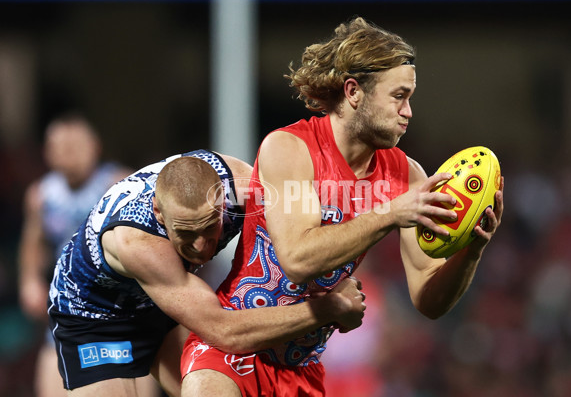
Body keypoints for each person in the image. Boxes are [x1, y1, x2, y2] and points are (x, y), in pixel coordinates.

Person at [181, 16, 505, 396]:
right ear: (354, 92)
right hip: (231, 352)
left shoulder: (407, 176)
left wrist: (471, 251)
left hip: (303, 371)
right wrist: (392, 212)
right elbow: (298, 259)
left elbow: (428, 301)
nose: (408, 112)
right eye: (398, 96)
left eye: (410, 98)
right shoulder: (289, 148)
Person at [47, 148, 367, 396]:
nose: (201, 247)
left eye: (209, 228)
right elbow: (225, 332)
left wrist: (336, 276)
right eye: (186, 233)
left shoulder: (243, 187)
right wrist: (328, 308)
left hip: (170, 295)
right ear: (159, 212)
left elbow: (305, 233)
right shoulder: (137, 241)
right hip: (96, 315)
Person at [17, 113, 131, 397]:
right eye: (61, 148)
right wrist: (29, 280)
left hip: (114, 313)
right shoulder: (41, 195)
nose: (69, 155)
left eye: (76, 147)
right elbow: (33, 242)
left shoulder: (119, 186)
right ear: (47, 153)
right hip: (65, 311)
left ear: (96, 146)